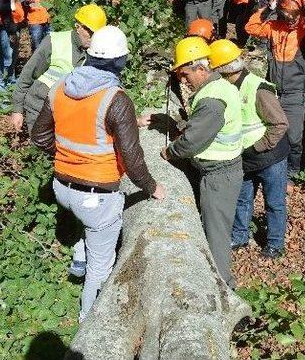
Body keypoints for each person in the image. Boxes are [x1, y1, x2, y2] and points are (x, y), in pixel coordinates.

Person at [32, 25, 166, 321]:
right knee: (101, 267)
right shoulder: (115, 99)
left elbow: (40, 137)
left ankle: (78, 259)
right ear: (120, 61)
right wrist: (150, 187)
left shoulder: (61, 86)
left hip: (62, 188)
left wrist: (69, 159)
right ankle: (89, 322)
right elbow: (131, 157)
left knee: (85, 220)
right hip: (97, 194)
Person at [162, 36, 243, 288]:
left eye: (185, 75)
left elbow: (191, 142)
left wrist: (170, 152)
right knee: (213, 230)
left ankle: (223, 288)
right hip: (218, 171)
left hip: (219, 175)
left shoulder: (211, 100)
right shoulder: (217, 88)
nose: (183, 81)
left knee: (215, 235)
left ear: (201, 68)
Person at [209, 40, 290, 258]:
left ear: (223, 68)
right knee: (242, 199)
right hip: (244, 156)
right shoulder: (225, 88)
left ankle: (275, 244)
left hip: (270, 156)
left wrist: (258, 147)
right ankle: (240, 236)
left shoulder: (258, 88)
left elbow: (280, 124)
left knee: (274, 203)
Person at [245, 0, 305, 186]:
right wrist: (268, 8)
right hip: (274, 90)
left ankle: (292, 171)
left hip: (295, 92)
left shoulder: (304, 29)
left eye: (293, 15)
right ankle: (273, 168)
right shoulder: (274, 26)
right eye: (285, 14)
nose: (289, 19)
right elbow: (251, 27)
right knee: (272, 131)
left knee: (294, 135)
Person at [11, 4, 107, 134]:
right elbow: (27, 75)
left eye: (97, 33)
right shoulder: (54, 41)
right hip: (38, 108)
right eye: (90, 32)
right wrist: (17, 110)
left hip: (67, 115)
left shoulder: (98, 53)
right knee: (42, 149)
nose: (94, 37)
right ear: (78, 27)